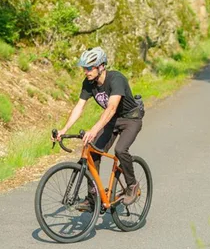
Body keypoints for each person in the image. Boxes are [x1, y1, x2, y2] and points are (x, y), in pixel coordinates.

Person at [54, 47, 144, 211]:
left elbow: (111, 108)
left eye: (89, 68)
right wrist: (63, 129)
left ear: (101, 66)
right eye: (84, 68)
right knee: (93, 151)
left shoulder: (116, 79)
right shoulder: (89, 83)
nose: (86, 71)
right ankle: (93, 198)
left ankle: (132, 185)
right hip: (112, 120)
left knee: (120, 149)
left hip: (131, 119)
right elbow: (79, 107)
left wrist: (94, 129)